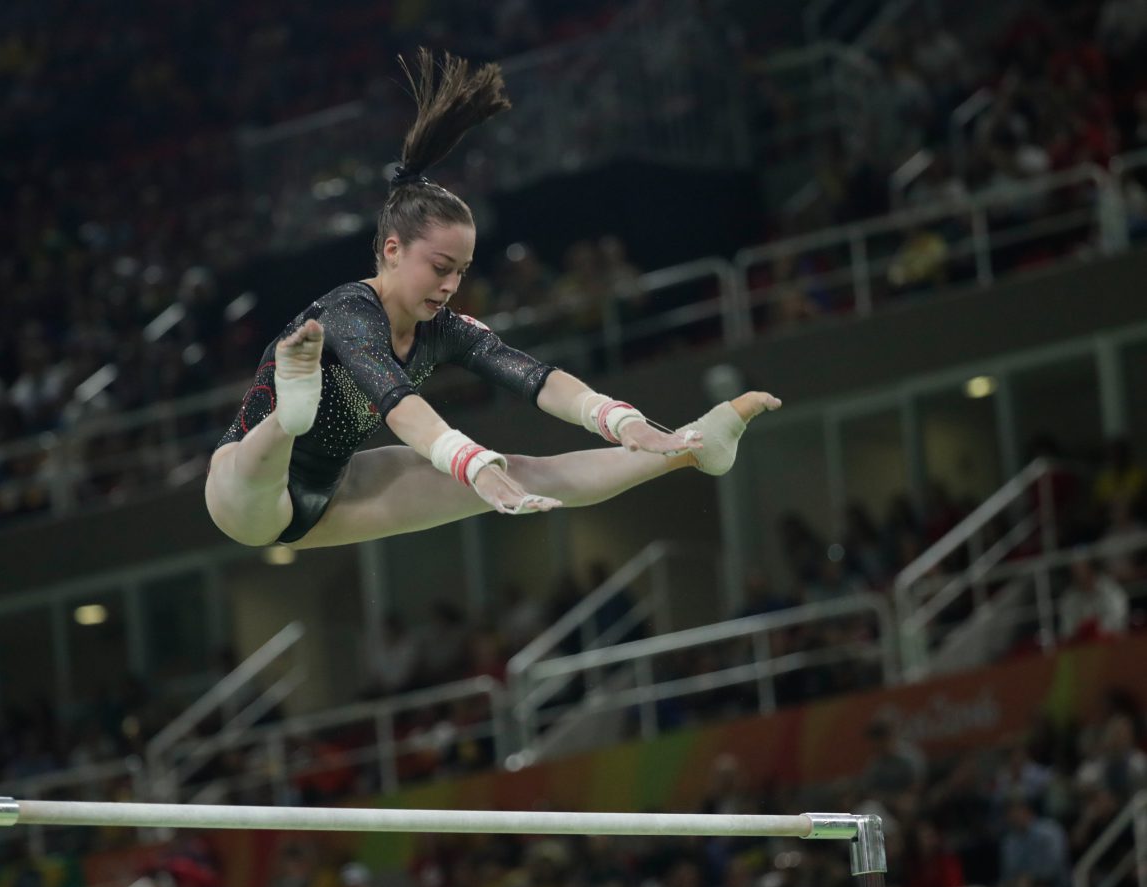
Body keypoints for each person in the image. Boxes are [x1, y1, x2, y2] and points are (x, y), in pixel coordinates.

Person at [205, 50, 780, 551]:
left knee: (529, 472)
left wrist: (620, 420)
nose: (451, 285)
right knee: (265, 473)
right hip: (242, 490)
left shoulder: (444, 327)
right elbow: (396, 402)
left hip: (332, 492)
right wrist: (471, 463)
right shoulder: (348, 314)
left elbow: (536, 377)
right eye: (439, 268)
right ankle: (291, 414)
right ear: (392, 249)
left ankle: (694, 448)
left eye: (461, 271)